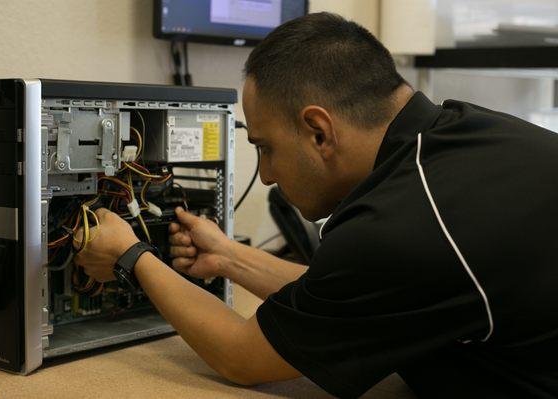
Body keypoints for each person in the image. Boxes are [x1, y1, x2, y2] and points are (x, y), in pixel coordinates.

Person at [74, 12, 558, 399]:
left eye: (265, 147)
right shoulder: (459, 135)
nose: (265, 174)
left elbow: (244, 358)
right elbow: (357, 296)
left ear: (319, 131)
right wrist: (229, 258)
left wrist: (129, 256)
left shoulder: (400, 225)